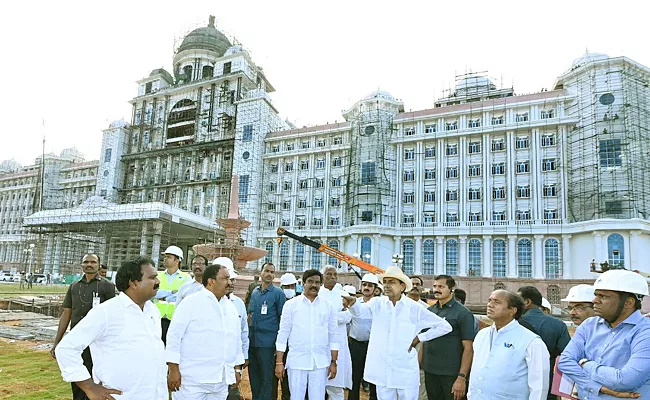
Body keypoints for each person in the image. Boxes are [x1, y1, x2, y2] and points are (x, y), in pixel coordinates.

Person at [55, 257, 167, 399]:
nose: (158, 282)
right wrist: (89, 387)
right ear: (133, 283)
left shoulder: (152, 310)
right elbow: (66, 349)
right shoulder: (107, 312)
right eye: (152, 277)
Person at [343, 265, 452, 400]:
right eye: (385, 282)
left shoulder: (414, 308)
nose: (387, 285)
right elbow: (359, 312)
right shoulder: (377, 303)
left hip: (405, 373)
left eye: (391, 282)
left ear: (402, 286)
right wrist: (353, 303)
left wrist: (420, 337)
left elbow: (445, 326)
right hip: (382, 372)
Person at [558, 269, 650, 398]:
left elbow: (625, 381)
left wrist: (585, 364)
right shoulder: (589, 325)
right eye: (596, 295)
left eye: (603, 296)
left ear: (629, 303)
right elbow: (565, 362)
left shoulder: (645, 332)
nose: (595, 300)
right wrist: (597, 387)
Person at [166, 264, 244, 399]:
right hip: (193, 380)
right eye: (225, 279)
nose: (230, 283)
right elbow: (174, 336)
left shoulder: (230, 307)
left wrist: (237, 369)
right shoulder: (191, 303)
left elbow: (236, 340)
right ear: (211, 281)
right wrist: (173, 369)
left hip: (221, 380)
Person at [51, 253, 116, 400]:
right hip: (77, 342)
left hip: (98, 342)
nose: (89, 264)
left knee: (96, 378)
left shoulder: (107, 286)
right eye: (86, 262)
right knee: (77, 378)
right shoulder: (74, 286)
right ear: (82, 265)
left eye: (93, 262)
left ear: (99, 265)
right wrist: (57, 342)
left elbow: (113, 316)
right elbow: (66, 314)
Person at [468, 290, 549, 399]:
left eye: (496, 302)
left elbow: (539, 385)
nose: (490, 305)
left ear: (512, 310)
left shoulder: (531, 341)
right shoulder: (482, 335)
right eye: (489, 300)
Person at [275, 269, 339, 400]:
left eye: (317, 282)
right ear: (303, 283)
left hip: (320, 362)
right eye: (310, 282)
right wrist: (279, 362)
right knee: (296, 397)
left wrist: (333, 362)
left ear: (321, 285)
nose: (314, 285)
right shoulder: (291, 305)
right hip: (297, 361)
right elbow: (283, 334)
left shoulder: (328, 306)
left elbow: (333, 335)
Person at [423, 275, 476, 400]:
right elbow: (425, 341)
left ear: (452, 289)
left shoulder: (463, 313)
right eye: (435, 286)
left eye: (441, 287)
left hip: (451, 374)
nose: (436, 289)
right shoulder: (429, 311)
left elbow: (468, 348)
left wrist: (461, 377)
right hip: (430, 372)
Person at [518, 286, 571, 400]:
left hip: (519, 383)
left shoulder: (514, 324)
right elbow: (566, 358)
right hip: (547, 383)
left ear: (527, 302)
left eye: (518, 300)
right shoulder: (558, 324)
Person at [248, 262, 286, 400]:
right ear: (261, 272)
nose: (269, 274)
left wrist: (280, 345)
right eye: (267, 271)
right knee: (254, 378)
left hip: (268, 344)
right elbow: (250, 315)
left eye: (272, 272)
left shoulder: (278, 293)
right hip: (253, 343)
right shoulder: (255, 292)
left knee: (267, 379)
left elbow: (283, 320)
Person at [318, 265, 353, 400]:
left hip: (339, 344)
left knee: (336, 387)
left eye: (335, 275)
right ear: (323, 276)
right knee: (318, 386)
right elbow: (320, 316)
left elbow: (348, 316)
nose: (332, 277)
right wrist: (338, 316)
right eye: (329, 274)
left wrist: (334, 316)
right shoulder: (318, 294)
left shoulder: (341, 294)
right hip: (322, 344)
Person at [220, 258, 250, 400]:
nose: (231, 283)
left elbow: (243, 333)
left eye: (232, 279)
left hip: (231, 365)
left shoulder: (237, 304)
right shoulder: (199, 302)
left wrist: (241, 362)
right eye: (227, 279)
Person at [349, 273, 379, 400]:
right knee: (354, 378)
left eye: (370, 285)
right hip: (356, 346)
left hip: (374, 347)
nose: (366, 287)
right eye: (364, 285)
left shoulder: (380, 304)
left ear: (375, 289)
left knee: (374, 379)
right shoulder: (354, 303)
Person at [153, 245, 190, 344]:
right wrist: (170, 293)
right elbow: (154, 293)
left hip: (175, 318)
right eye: (165, 256)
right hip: (157, 317)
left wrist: (164, 296)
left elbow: (183, 296)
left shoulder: (186, 277)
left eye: (169, 257)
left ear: (177, 261)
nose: (165, 259)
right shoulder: (158, 275)